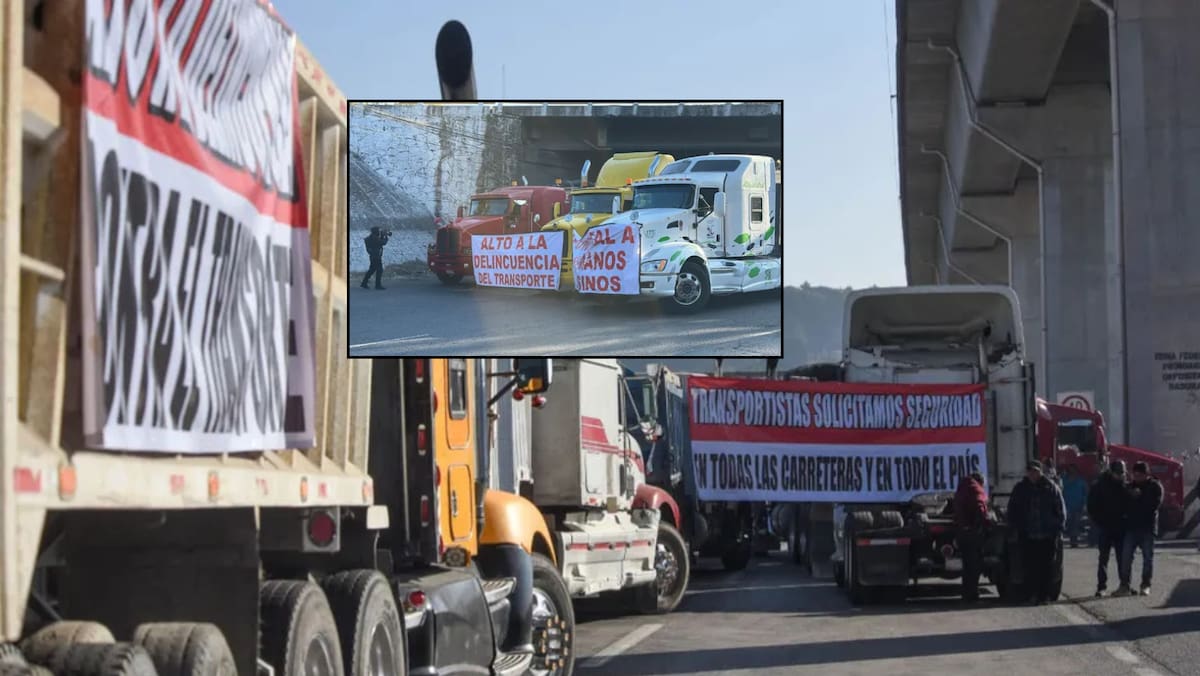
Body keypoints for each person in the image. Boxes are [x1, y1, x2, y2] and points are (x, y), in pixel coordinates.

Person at [1007, 460, 1066, 605]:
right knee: (1029, 567)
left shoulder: (1051, 487)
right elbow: (1012, 510)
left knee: (1047, 567)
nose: (1033, 474)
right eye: (1030, 471)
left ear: (1041, 472)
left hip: (1047, 535)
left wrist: (1058, 529)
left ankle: (1044, 596)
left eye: (1035, 471)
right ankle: (1031, 595)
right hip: (1028, 535)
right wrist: (1015, 527)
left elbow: (1060, 510)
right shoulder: (1020, 489)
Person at [1114, 461, 1163, 597]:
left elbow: (1154, 506)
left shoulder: (1155, 487)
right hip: (1131, 528)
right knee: (1126, 558)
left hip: (1147, 528)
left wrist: (1138, 497)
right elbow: (1123, 505)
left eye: (1140, 475)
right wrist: (1129, 495)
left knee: (1147, 558)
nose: (1137, 477)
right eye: (1135, 475)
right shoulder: (1129, 487)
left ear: (1146, 474)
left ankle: (1145, 584)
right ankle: (1124, 585)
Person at [1087, 459, 1129, 597]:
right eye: (1118, 473)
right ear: (1111, 472)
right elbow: (1092, 506)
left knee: (1122, 558)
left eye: (1122, 473)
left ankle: (1124, 585)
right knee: (1103, 559)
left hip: (1120, 527)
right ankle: (1101, 587)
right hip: (1105, 527)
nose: (1120, 475)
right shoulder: (1100, 485)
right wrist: (1100, 522)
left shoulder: (1125, 485)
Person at [953, 472, 989, 602]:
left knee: (968, 565)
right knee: (974, 566)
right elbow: (980, 506)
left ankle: (967, 593)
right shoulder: (975, 489)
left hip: (962, 532)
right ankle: (972, 594)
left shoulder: (963, 488)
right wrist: (983, 522)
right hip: (972, 533)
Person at [1061, 465, 1089, 547]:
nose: (1072, 472)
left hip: (1078, 506)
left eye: (1073, 470)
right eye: (1070, 470)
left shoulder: (1081, 481)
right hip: (1066, 506)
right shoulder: (1063, 480)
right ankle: (1072, 539)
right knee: (1069, 523)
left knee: (1075, 523)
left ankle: (1074, 541)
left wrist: (1085, 504)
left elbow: (1086, 493)